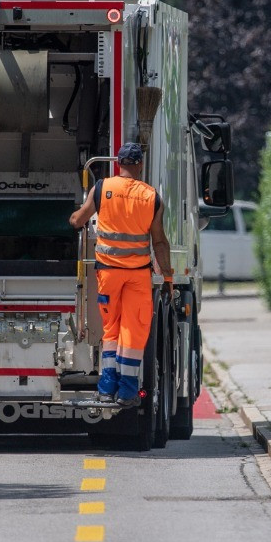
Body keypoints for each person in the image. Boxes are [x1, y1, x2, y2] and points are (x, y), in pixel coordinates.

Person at [69, 143, 173, 407]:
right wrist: (168, 277)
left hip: (108, 275)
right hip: (138, 276)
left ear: (119, 164)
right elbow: (159, 241)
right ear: (139, 165)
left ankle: (106, 389)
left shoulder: (102, 188)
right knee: (134, 331)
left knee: (111, 329)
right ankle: (127, 392)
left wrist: (74, 218)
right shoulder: (151, 196)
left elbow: (79, 221)